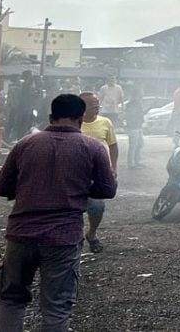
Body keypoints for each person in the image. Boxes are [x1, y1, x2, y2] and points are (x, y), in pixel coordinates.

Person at [0, 93, 117, 332]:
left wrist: (29, 185)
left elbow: (1, 187)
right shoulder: (92, 148)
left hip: (20, 235)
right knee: (57, 307)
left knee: (11, 299)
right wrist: (80, 186)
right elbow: (107, 190)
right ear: (81, 119)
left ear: (51, 117)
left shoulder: (25, 143)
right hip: (62, 238)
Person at [79, 92, 118, 254]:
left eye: (97, 104)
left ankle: (91, 233)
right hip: (74, 172)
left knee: (97, 206)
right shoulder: (74, 122)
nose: (96, 107)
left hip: (97, 173)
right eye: (91, 104)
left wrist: (113, 167)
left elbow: (113, 146)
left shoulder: (105, 123)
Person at [123, 83, 147, 169]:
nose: (143, 92)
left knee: (140, 144)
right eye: (141, 91)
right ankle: (131, 163)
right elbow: (130, 115)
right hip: (133, 126)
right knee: (133, 145)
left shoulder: (138, 102)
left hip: (138, 126)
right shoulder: (132, 103)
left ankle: (136, 161)